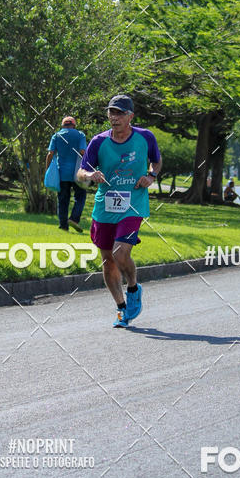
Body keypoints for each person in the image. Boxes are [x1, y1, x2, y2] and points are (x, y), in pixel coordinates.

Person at [77, 95, 162, 329]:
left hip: (133, 203)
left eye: (119, 113)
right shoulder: (98, 141)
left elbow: (156, 160)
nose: (114, 118)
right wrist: (90, 175)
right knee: (107, 261)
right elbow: (81, 172)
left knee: (120, 253)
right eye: (111, 113)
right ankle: (121, 309)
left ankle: (133, 286)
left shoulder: (145, 137)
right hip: (105, 206)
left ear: (130, 116)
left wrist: (151, 176)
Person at [45, 116, 87, 232]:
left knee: (63, 200)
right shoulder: (80, 135)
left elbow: (50, 154)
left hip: (62, 174)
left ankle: (63, 226)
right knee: (80, 196)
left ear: (63, 125)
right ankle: (74, 219)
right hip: (77, 173)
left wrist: (47, 169)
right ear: (74, 125)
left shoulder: (57, 136)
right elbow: (83, 152)